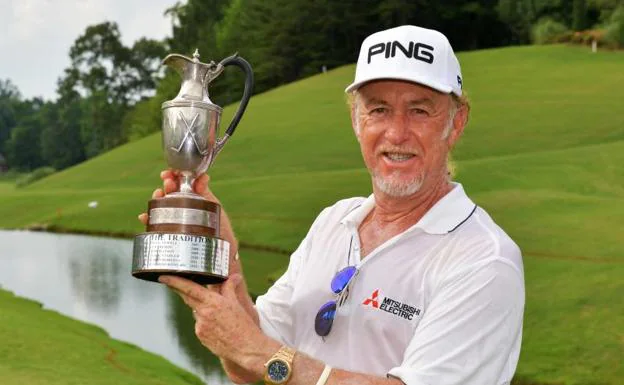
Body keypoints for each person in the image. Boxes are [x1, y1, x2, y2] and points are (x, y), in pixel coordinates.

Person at [140, 25, 525, 385]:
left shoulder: (485, 261)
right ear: (357, 120)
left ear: (456, 123)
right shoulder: (334, 220)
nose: (396, 132)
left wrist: (261, 354)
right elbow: (250, 367)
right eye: (378, 109)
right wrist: (225, 268)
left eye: (420, 110)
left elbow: (263, 356)